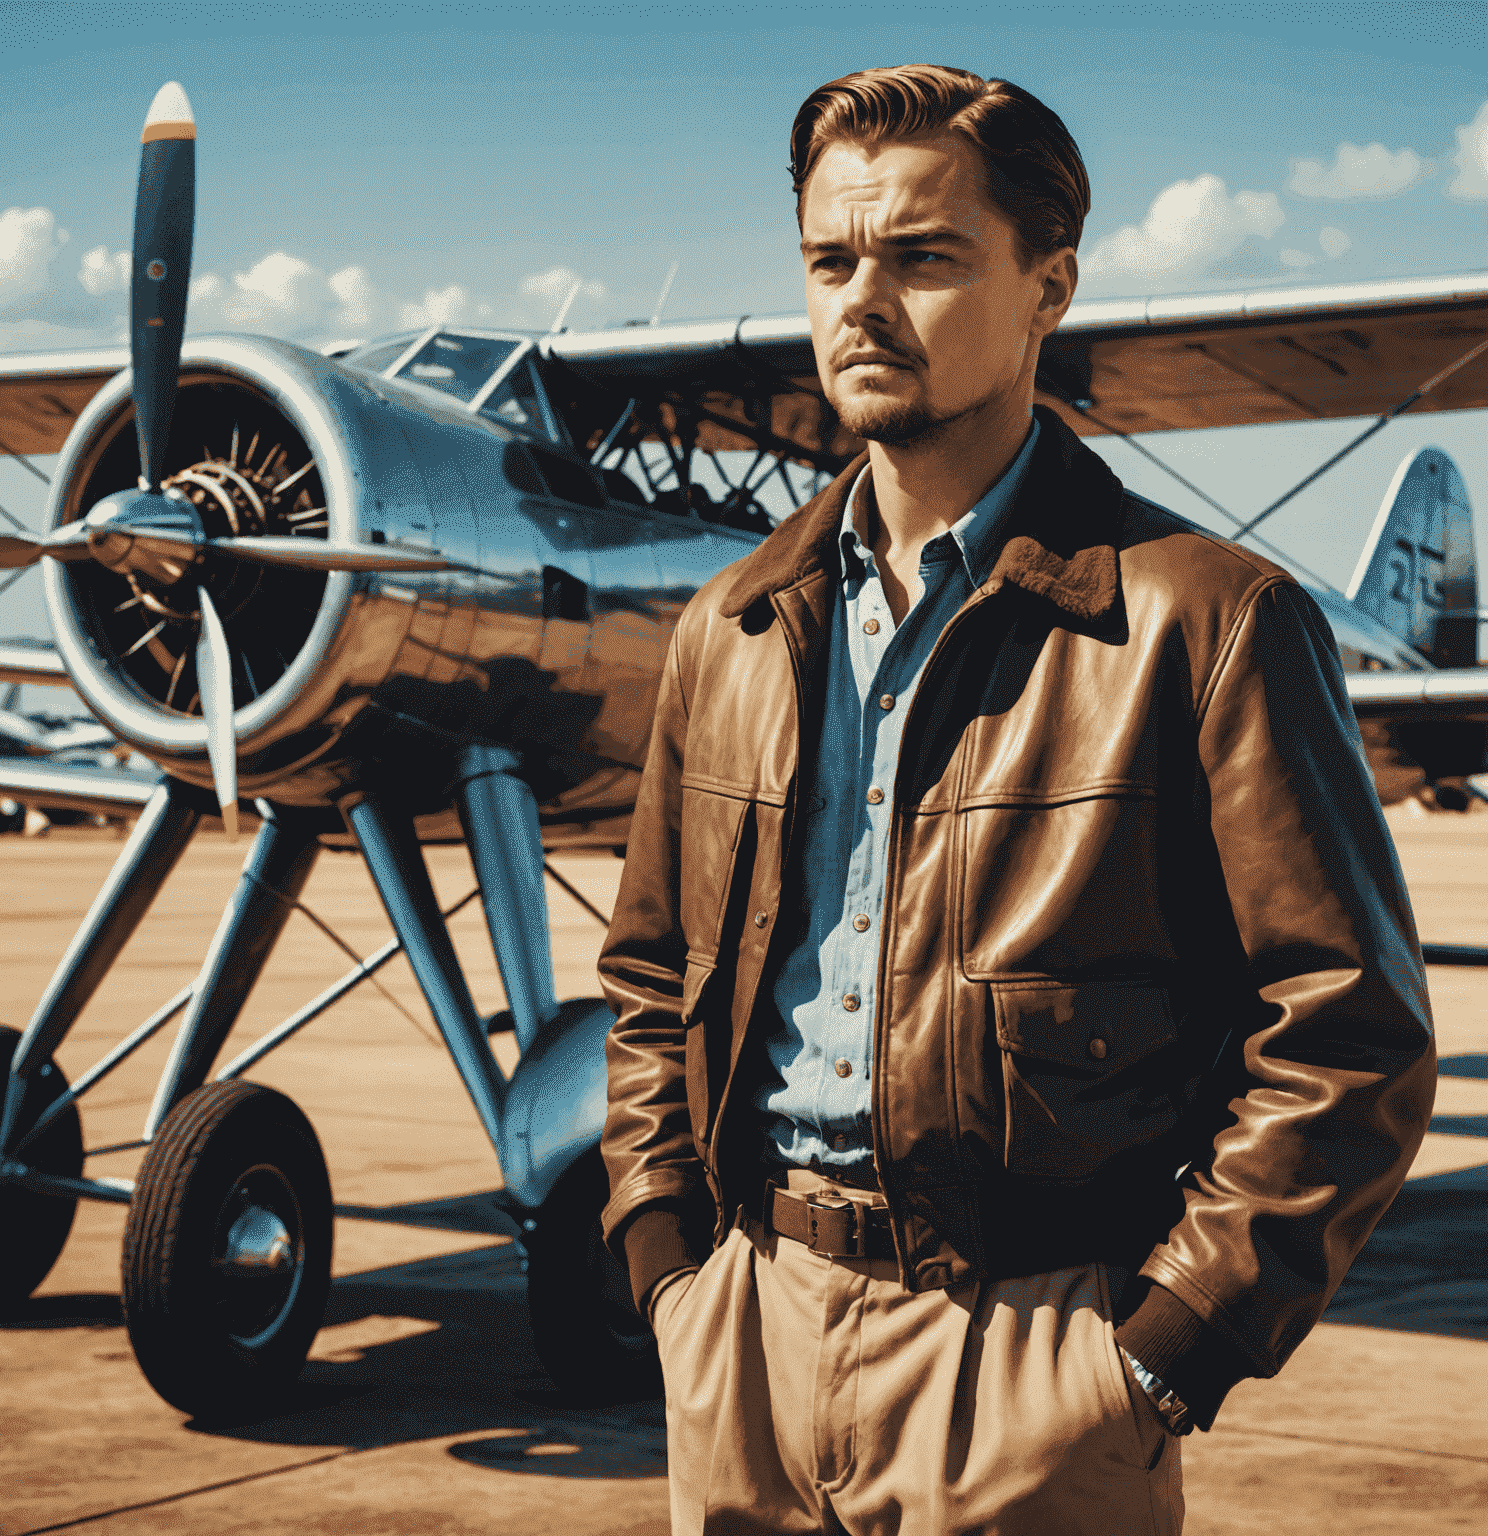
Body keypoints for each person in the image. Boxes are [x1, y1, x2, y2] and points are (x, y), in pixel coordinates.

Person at [598, 63, 1435, 1535]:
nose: (863, 301)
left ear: (1050, 287)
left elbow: (1348, 1032)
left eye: (924, 258)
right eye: (830, 259)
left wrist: (1165, 1353)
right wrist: (666, 1264)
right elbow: (652, 980)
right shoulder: (726, 623)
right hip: (743, 1333)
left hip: (1036, 1359)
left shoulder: (1212, 620)